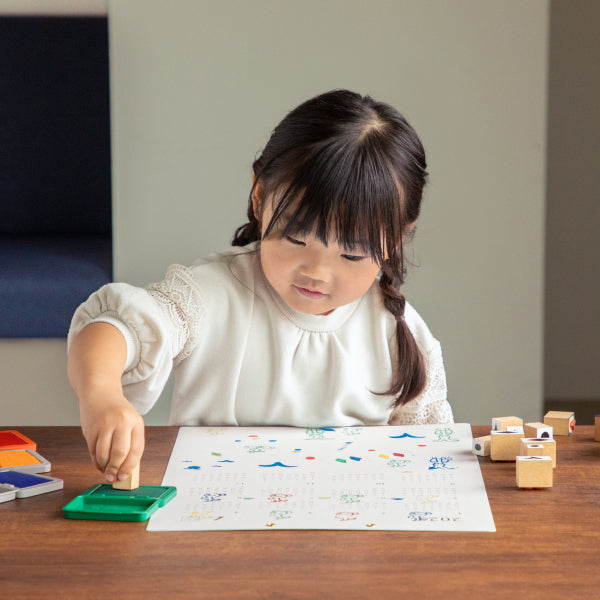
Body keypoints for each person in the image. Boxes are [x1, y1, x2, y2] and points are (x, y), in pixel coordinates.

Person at [67, 89, 453, 485]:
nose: (317, 271)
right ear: (259, 195)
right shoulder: (210, 296)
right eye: (297, 239)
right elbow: (113, 328)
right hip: (214, 526)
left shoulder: (396, 332)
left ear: (396, 239)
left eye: (351, 256)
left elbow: (426, 456)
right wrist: (102, 395)